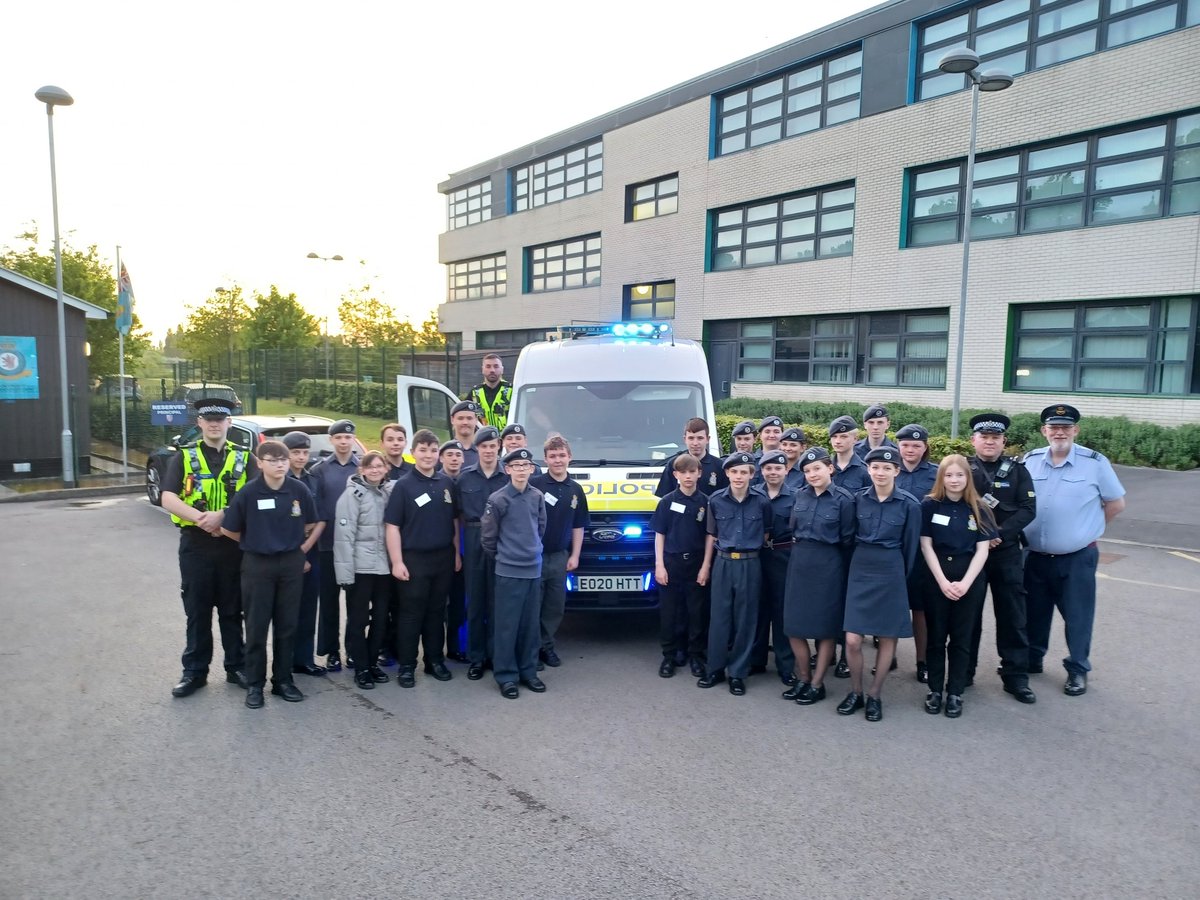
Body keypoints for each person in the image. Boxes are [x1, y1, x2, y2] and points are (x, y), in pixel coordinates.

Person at [1023, 404, 1126, 697]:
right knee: (1034, 612)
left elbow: (1116, 504)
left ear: (1076, 430)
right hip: (1034, 555)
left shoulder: (1095, 463)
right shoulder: (1029, 461)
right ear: (1044, 431)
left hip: (1077, 557)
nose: (1059, 432)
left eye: (1065, 427)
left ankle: (1077, 670)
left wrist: (1086, 530)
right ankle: (1033, 660)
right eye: (1053, 427)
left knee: (1078, 616)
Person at [161, 397, 256, 698]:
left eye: (220, 419)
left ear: (229, 423)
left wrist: (222, 518)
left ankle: (236, 667)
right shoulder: (184, 457)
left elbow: (252, 498)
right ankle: (194, 672)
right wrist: (202, 519)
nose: (214, 424)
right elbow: (168, 497)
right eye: (208, 419)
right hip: (196, 544)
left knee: (232, 610)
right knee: (197, 611)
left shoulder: (245, 457)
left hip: (232, 546)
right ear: (199, 423)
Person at [220, 440, 318, 709]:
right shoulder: (249, 493)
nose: (279, 464)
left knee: (287, 626)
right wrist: (256, 541)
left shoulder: (298, 489)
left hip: (290, 564)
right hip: (257, 565)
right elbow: (230, 529)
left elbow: (310, 522)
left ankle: (283, 681)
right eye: (272, 460)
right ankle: (254, 685)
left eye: (283, 460)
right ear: (260, 463)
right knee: (257, 628)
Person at [838, 447, 921, 722]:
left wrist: (900, 578)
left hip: (891, 569)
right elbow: (848, 538)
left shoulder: (909, 504)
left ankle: (874, 694)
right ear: (869, 470)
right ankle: (856, 691)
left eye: (887, 468)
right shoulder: (857, 500)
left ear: (897, 470)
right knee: (852, 640)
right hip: (861, 567)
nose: (880, 472)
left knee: (887, 637)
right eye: (875, 467)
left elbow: (911, 549)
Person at [966, 413, 1037, 704]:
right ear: (974, 440)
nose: (990, 442)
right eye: (984, 437)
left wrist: (999, 534)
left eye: (995, 438)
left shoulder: (1018, 471)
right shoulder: (963, 468)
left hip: (1006, 552)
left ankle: (1015, 676)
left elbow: (1028, 508)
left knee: (1013, 616)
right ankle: (964, 670)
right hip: (971, 553)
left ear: (1003, 441)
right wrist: (982, 537)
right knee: (968, 617)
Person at [918, 455, 997, 719]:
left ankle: (955, 692)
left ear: (968, 478)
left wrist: (965, 583)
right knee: (936, 637)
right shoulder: (929, 505)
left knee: (962, 639)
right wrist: (942, 581)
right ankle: (935, 691)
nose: (954, 480)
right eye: (949, 475)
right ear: (942, 478)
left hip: (969, 579)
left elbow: (982, 551)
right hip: (936, 577)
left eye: (959, 475)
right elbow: (926, 545)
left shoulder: (980, 507)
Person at [385, 429, 461, 688]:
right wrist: (397, 561)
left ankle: (434, 660)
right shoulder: (403, 486)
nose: (428, 455)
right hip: (413, 559)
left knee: (436, 612)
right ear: (413, 452)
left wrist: (456, 553)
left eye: (432, 450)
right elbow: (392, 526)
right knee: (410, 614)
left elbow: (454, 522)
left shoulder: (446, 484)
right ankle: (407, 666)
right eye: (423, 450)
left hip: (442, 558)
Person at [782, 448, 856, 706]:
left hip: (829, 564)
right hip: (800, 561)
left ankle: (817, 684)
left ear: (830, 468)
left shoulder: (845, 500)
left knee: (825, 629)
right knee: (792, 625)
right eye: (807, 471)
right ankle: (803, 677)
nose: (812, 474)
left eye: (817, 468)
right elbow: (794, 528)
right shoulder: (799, 496)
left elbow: (848, 539)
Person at [697, 451, 772, 696]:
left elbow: (766, 534)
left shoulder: (761, 501)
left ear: (752, 475)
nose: (739, 476)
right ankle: (716, 668)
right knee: (719, 617)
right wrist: (706, 566)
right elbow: (712, 534)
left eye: (744, 472)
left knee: (746, 619)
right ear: (727, 473)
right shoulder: (716, 500)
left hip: (750, 563)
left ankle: (738, 672)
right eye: (734, 472)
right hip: (723, 562)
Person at [481, 446, 547, 699]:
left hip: (533, 569)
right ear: (507, 469)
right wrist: (506, 557)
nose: (521, 470)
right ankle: (507, 675)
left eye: (525, 466)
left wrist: (530, 552)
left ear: (531, 469)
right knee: (507, 626)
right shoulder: (498, 499)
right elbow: (488, 538)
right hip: (508, 571)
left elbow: (541, 527)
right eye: (516, 466)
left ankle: (528, 672)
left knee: (530, 626)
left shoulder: (537, 496)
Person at [334, 451, 396, 690]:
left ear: (385, 469)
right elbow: (343, 538)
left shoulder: (389, 493)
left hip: (383, 569)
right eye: (370, 467)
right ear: (361, 470)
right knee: (358, 620)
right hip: (360, 569)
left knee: (381, 619)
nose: (375, 470)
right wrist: (345, 575)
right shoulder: (352, 495)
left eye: (379, 466)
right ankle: (360, 667)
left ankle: (372, 663)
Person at [651, 453, 712, 678]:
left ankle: (695, 654)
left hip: (696, 562)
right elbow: (660, 535)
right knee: (670, 612)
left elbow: (709, 536)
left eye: (692, 472)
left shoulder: (706, 502)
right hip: (671, 562)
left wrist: (706, 566)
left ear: (699, 473)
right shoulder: (667, 501)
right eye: (683, 472)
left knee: (696, 611)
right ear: (675, 475)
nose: (688, 476)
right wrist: (660, 565)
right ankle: (670, 655)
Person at [530, 434, 588, 669]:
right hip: (535, 557)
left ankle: (546, 646)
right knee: (533, 605)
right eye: (552, 456)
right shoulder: (535, 485)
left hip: (560, 557)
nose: (557, 460)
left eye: (561, 455)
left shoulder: (575, 489)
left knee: (554, 606)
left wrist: (574, 555)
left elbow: (579, 525)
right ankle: (530, 650)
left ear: (570, 457)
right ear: (545, 459)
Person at [455, 426, 508, 680]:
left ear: (499, 447)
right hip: (473, 538)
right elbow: (457, 518)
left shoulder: (507, 477)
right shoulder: (464, 478)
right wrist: (458, 551)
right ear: (477, 449)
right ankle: (476, 657)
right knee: (475, 602)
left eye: (492, 446)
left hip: (502, 540)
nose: (488, 450)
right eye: (483, 446)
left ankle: (497, 656)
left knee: (498, 602)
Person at [309, 418, 360, 672]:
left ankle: (353, 650)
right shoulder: (319, 470)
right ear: (332, 440)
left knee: (355, 602)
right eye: (339, 437)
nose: (343, 442)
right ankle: (331, 652)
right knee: (329, 603)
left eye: (348, 438)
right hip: (328, 546)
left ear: (353, 440)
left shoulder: (361, 468)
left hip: (354, 547)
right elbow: (316, 507)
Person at [894, 423, 938, 683]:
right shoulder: (889, 470)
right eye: (905, 445)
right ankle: (888, 657)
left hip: (924, 552)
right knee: (891, 607)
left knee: (921, 610)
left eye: (916, 446)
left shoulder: (936, 474)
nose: (910, 450)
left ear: (925, 448)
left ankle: (923, 661)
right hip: (893, 550)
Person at [751, 451, 798, 684]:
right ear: (761, 471)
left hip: (783, 555)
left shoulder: (797, 496)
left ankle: (786, 665)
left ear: (786, 471)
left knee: (782, 612)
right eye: (768, 468)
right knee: (757, 609)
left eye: (777, 468)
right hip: (757, 555)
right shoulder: (753, 494)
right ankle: (756, 660)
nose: (773, 472)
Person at [282, 431, 326, 677]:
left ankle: (304, 658)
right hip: (286, 554)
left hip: (310, 552)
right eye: (295, 452)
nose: (301, 457)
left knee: (308, 608)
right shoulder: (279, 480)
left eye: (304, 453)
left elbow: (320, 519)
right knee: (286, 609)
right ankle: (284, 660)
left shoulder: (314, 480)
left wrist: (305, 551)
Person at [379, 423, 412, 666]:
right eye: (390, 439)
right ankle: (382, 647)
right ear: (382, 443)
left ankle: (400, 646)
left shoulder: (412, 470)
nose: (395, 443)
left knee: (403, 602)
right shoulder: (376, 470)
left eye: (399, 439)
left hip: (405, 546)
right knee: (382, 603)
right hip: (379, 548)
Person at [439, 439, 469, 662]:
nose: (454, 459)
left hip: (461, 549)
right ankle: (434, 651)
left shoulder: (465, 480)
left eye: (458, 455)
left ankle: (455, 647)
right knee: (438, 603)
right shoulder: (437, 480)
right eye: (449, 454)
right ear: (442, 458)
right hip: (437, 549)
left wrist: (458, 552)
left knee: (458, 602)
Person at [655, 417, 728, 497]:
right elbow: (664, 497)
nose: (695, 443)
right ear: (685, 439)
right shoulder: (673, 464)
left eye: (700, 438)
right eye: (691, 438)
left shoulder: (720, 466)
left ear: (708, 439)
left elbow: (725, 500)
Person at [464, 353, 512, 430]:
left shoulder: (511, 391)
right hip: (482, 440)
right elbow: (463, 416)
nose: (492, 370)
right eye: (488, 366)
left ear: (502, 369)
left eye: (496, 366)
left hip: (506, 439)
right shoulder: (475, 393)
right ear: (482, 369)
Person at [829, 415, 869, 493]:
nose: (837, 441)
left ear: (855, 439)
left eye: (843, 437)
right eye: (834, 436)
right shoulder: (825, 468)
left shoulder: (864, 471)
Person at [449, 400, 483, 470]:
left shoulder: (484, 453)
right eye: (460, 418)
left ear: (476, 420)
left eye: (469, 418)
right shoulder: (445, 453)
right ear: (452, 420)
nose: (465, 422)